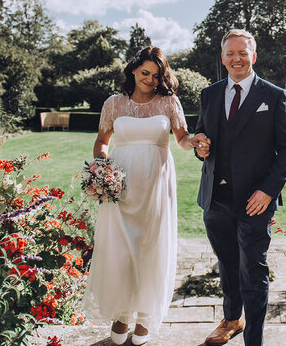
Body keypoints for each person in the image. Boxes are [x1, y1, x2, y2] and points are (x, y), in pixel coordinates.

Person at [82, 46, 209, 346]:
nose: (150, 80)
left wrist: (196, 142)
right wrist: (102, 169)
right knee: (119, 249)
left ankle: (145, 316)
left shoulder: (169, 102)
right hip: (119, 185)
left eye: (156, 75)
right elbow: (102, 141)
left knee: (150, 247)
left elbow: (181, 139)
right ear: (133, 71)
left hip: (156, 183)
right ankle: (121, 313)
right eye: (145, 73)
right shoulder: (113, 103)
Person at [194, 29, 286, 346]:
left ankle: (254, 339)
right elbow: (201, 136)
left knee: (253, 271)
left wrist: (267, 191)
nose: (236, 58)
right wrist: (201, 147)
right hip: (215, 198)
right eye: (230, 53)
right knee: (227, 264)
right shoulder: (209, 94)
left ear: (254, 56)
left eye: (243, 52)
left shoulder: (274, 95)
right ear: (223, 57)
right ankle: (231, 320)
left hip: (256, 201)